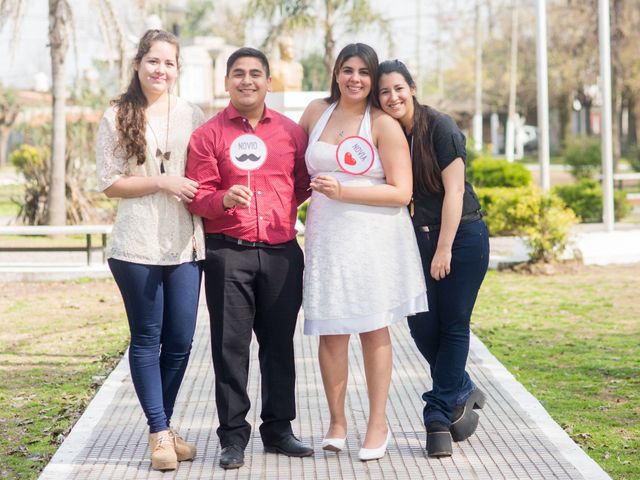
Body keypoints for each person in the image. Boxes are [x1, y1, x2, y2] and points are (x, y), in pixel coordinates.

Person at [298, 43, 428, 462]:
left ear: (373, 79)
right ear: (335, 73)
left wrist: (344, 190)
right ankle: (337, 421)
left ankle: (377, 423)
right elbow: (293, 171)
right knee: (332, 331)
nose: (355, 78)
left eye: (364, 72)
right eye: (347, 69)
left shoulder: (382, 123)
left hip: (373, 239)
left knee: (374, 328)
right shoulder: (315, 113)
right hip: (326, 237)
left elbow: (401, 191)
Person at [185, 47, 313, 470]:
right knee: (230, 348)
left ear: (268, 82)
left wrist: (276, 211)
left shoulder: (292, 133)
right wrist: (223, 198)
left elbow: (301, 185)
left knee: (279, 346)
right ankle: (233, 437)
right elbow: (198, 197)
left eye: (255, 74)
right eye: (238, 74)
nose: (247, 81)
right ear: (226, 82)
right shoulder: (207, 136)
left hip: (281, 253)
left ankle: (278, 430)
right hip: (228, 254)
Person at [96, 29, 205, 471]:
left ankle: (162, 425)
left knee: (180, 340)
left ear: (178, 70)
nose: (161, 70)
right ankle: (160, 431)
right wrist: (162, 181)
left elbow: (207, 172)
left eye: (169, 63)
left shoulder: (192, 114)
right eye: (153, 61)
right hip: (136, 244)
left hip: (184, 243)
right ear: (139, 63)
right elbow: (109, 182)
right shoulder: (116, 115)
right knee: (147, 338)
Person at [376, 59, 490, 458]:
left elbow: (454, 192)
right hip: (415, 242)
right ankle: (460, 388)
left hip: (462, 237)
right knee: (422, 327)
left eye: (398, 88)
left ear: (412, 87)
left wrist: (443, 248)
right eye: (384, 91)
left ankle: (437, 416)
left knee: (454, 324)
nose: (392, 97)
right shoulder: (388, 133)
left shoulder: (438, 126)